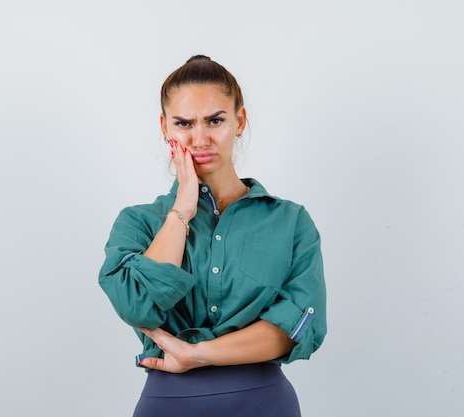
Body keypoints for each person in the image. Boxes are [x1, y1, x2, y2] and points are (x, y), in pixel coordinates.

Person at [99, 55, 327, 417]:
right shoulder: (138, 222)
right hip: (168, 406)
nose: (200, 138)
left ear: (240, 121)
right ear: (165, 127)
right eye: (184, 123)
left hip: (264, 404)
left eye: (215, 120)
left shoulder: (291, 221)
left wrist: (195, 354)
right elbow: (137, 305)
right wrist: (183, 209)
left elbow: (298, 327)